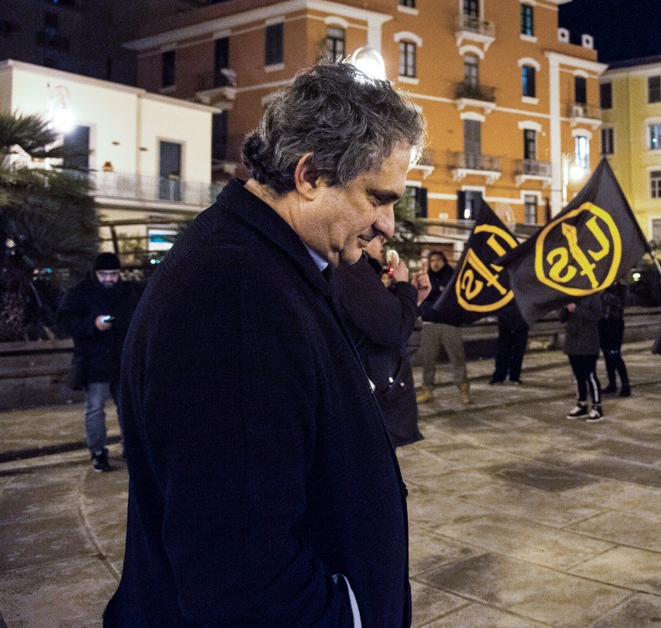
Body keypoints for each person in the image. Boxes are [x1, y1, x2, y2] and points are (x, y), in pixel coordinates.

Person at [103, 60, 424, 627]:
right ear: (309, 175)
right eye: (378, 198)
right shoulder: (236, 295)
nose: (388, 224)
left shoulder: (260, 264)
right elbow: (241, 575)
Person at [331, 237, 430, 448]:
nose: (384, 238)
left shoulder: (355, 271)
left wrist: (414, 299)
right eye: (376, 235)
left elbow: (381, 316)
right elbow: (394, 330)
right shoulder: (353, 270)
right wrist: (403, 285)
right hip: (373, 395)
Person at [56, 252, 139, 473]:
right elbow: (65, 321)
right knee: (95, 409)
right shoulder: (80, 292)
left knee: (128, 409)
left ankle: (131, 449)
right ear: (95, 273)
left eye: (113, 274)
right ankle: (98, 452)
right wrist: (92, 325)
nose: (109, 279)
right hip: (93, 360)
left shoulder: (127, 291)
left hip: (122, 361)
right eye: (104, 274)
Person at [417, 250, 470, 404]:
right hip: (430, 324)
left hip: (449, 324)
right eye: (432, 260)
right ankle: (427, 390)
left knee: (457, 357)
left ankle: (463, 389)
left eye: (438, 260)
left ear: (444, 261)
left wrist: (435, 293)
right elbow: (421, 296)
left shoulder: (453, 277)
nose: (435, 263)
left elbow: (454, 297)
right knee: (428, 359)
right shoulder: (425, 277)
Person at [562, 292, 605, 422]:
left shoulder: (593, 296)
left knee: (590, 375)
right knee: (578, 375)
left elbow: (596, 317)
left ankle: (597, 407)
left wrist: (577, 309)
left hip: (588, 342)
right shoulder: (570, 296)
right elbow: (562, 318)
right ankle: (582, 403)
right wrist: (565, 309)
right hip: (573, 342)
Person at [599, 280, 631, 397]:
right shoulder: (603, 287)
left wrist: (604, 292)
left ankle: (625, 385)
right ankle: (612, 383)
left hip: (615, 324)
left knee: (615, 354)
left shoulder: (622, 288)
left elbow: (620, 303)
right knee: (607, 354)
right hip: (603, 323)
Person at [490, 301, 528, 385]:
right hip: (512, 318)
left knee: (514, 349)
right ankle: (507, 376)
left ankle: (507, 376)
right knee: (504, 349)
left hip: (516, 318)